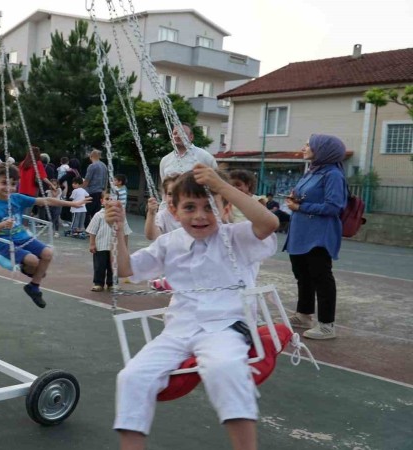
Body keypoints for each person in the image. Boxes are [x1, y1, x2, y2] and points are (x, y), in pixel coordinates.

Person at [105, 164, 279, 450]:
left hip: (225, 326)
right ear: (174, 212)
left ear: (224, 209)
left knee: (225, 368)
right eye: (190, 207)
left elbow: (269, 224)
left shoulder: (237, 237)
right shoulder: (168, 243)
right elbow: (126, 270)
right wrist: (117, 230)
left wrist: (221, 186)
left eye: (209, 207)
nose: (200, 216)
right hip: (179, 329)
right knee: (132, 377)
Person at [0, 164, 90, 308]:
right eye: (4, 183)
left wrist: (72, 204)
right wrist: (3, 225)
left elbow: (47, 200)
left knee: (48, 253)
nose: (9, 188)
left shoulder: (17, 198)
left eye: (13, 184)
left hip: (23, 237)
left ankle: (34, 286)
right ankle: (33, 270)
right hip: (5, 243)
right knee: (33, 262)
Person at [285, 134, 348, 340]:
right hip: (301, 232)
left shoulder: (333, 175)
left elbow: (334, 206)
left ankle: (327, 325)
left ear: (322, 150)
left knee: (321, 277)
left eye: (308, 145)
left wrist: (300, 206)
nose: (304, 148)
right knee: (302, 274)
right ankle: (304, 315)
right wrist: (295, 199)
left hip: (319, 234)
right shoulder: (312, 171)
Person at [87, 193, 132, 292]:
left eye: (113, 199)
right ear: (102, 201)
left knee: (114, 266)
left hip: (115, 248)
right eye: (107, 199)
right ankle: (98, 283)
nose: (109, 201)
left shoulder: (120, 217)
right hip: (100, 246)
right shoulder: (98, 215)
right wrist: (92, 244)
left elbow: (125, 232)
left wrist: (125, 247)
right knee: (99, 266)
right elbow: (92, 230)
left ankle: (112, 284)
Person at [145, 175, 181, 240]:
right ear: (165, 196)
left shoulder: (191, 215)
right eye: (170, 194)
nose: (173, 199)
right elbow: (151, 236)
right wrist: (151, 214)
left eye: (178, 194)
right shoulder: (162, 216)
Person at [83, 149, 108, 225]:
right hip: (100, 191)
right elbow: (106, 179)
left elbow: (87, 179)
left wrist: (82, 188)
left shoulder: (92, 166)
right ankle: (96, 228)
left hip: (91, 191)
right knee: (96, 212)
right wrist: (105, 190)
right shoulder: (104, 166)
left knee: (87, 211)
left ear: (91, 156)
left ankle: (88, 228)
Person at [58, 158, 81, 223]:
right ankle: (68, 218)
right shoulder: (76, 172)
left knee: (68, 204)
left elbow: (61, 179)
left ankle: (66, 217)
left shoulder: (70, 172)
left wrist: (62, 187)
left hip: (70, 189)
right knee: (70, 204)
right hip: (73, 190)